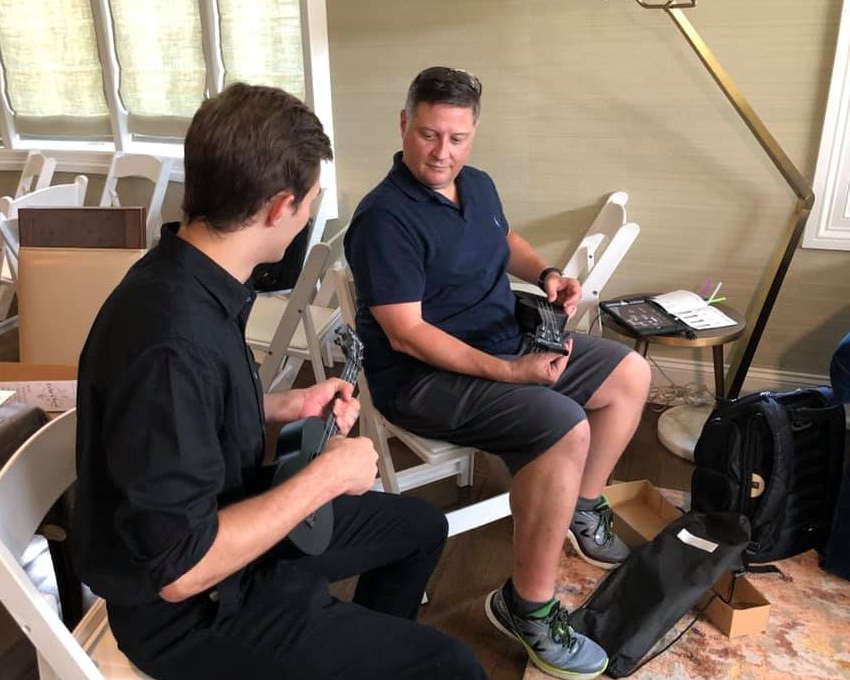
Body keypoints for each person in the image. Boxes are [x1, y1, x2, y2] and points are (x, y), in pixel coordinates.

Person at [72, 83, 487, 680]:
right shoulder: (169, 340)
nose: (308, 218)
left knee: (422, 526)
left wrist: (278, 406)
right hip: (191, 611)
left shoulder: (188, 275)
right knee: (454, 667)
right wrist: (322, 479)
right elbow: (179, 570)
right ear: (278, 208)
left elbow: (183, 416)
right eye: (312, 203)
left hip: (224, 514)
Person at [344, 66, 652, 680]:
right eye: (430, 135)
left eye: (457, 138)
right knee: (563, 426)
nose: (442, 152)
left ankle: (580, 506)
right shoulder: (384, 218)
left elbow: (503, 238)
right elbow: (408, 333)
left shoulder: (475, 184)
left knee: (629, 375)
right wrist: (513, 373)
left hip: (504, 336)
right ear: (404, 124)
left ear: (474, 133)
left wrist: (546, 275)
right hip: (424, 377)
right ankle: (525, 607)